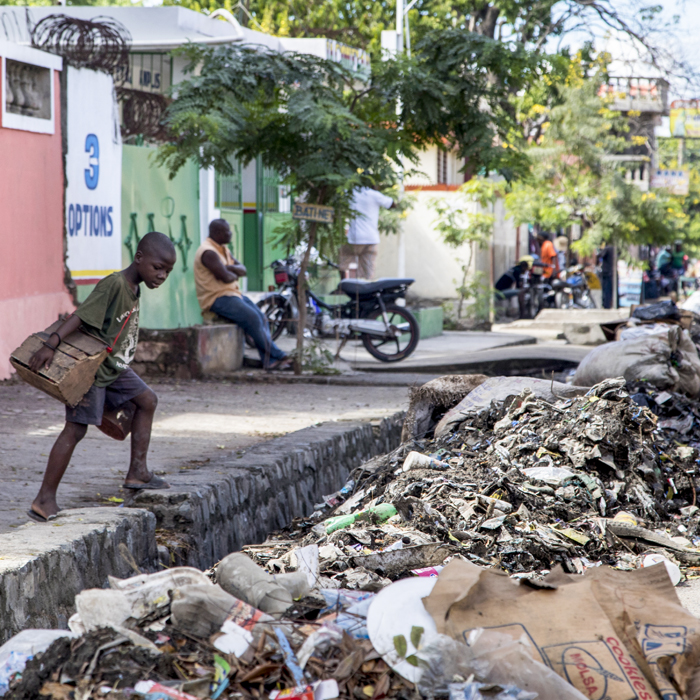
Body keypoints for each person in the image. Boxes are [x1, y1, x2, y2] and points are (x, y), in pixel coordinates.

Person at [26, 232, 177, 522]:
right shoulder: (115, 284)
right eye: (158, 267)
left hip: (114, 367)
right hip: (92, 370)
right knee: (75, 429)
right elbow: (81, 316)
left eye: (167, 271)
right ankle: (44, 498)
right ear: (139, 258)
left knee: (147, 400)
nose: (162, 275)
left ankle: (138, 472)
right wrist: (50, 344)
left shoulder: (135, 286)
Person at [194, 219, 290, 370]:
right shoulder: (208, 252)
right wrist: (231, 271)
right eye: (228, 232)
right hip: (216, 298)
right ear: (218, 233)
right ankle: (278, 355)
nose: (231, 234)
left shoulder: (222, 249)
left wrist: (227, 268)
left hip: (232, 294)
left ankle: (269, 360)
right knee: (252, 318)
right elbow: (226, 277)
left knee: (261, 316)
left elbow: (243, 270)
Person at [339, 186, 394, 280]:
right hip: (371, 238)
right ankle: (367, 287)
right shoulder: (374, 194)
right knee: (368, 268)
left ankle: (342, 284)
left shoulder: (350, 192)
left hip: (354, 238)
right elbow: (392, 204)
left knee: (343, 261)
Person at [598, 240, 615, 308]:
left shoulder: (607, 249)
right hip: (610, 272)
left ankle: (606, 304)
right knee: (609, 290)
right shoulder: (614, 249)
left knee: (606, 290)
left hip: (607, 272)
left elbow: (600, 255)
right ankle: (608, 304)